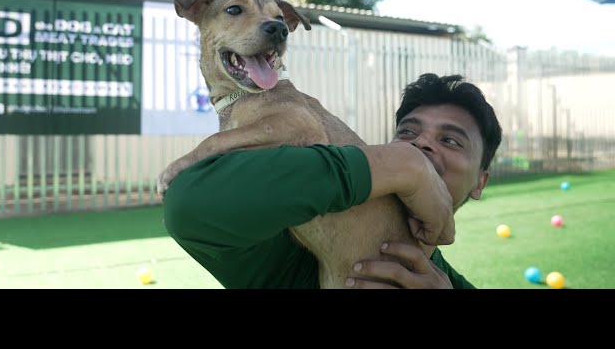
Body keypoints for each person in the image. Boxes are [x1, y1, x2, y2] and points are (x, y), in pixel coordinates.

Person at [163, 73, 502, 289]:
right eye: (408, 134)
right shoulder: (293, 254)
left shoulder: (448, 284)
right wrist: (398, 166)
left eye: (451, 140)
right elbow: (189, 204)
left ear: (480, 182)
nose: (421, 144)